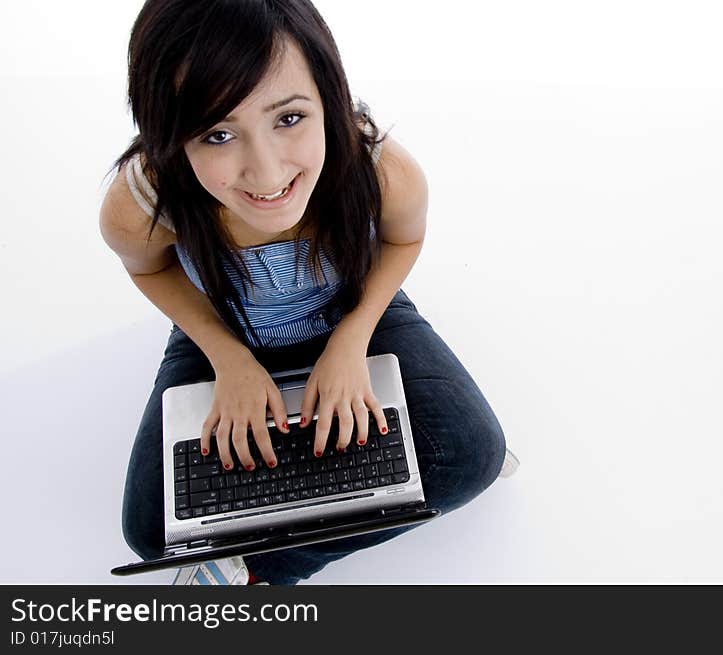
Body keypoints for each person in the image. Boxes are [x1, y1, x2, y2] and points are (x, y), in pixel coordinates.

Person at [100, 0, 513, 585]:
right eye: (217, 134)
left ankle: (259, 573)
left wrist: (350, 340)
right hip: (223, 326)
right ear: (168, 134)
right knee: (151, 532)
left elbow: (403, 241)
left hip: (354, 307)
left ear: (329, 95)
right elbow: (150, 270)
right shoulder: (143, 200)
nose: (266, 175)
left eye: (289, 118)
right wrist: (228, 358)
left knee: (471, 452)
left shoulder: (380, 169)